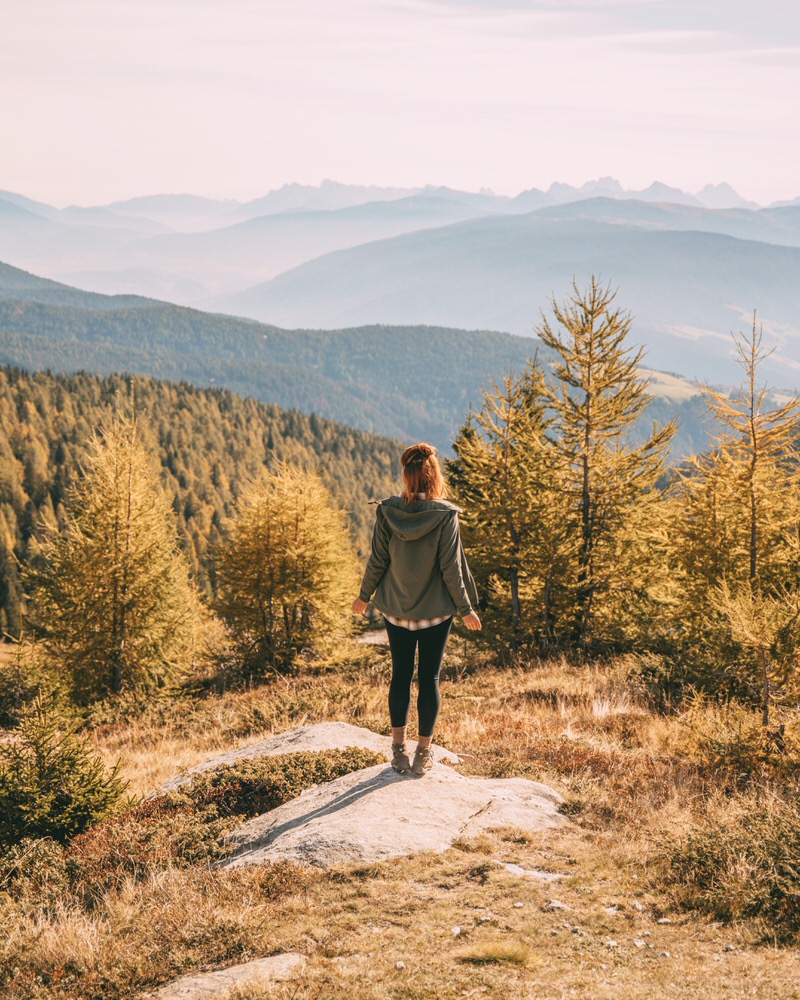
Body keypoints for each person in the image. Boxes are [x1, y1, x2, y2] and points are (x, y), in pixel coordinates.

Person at [352, 442, 481, 776]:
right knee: (429, 678)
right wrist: (466, 609)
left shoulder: (387, 511)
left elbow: (378, 559)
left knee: (399, 676)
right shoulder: (444, 515)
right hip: (436, 612)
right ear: (433, 475)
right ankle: (423, 753)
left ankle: (398, 751)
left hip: (395, 609)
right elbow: (450, 568)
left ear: (406, 476)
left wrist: (364, 597)